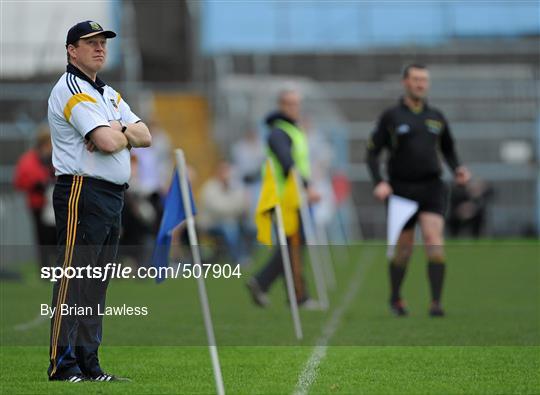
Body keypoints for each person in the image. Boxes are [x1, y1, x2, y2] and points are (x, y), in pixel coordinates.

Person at [46, 20, 151, 382]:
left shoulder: (107, 93)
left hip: (110, 195)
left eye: (103, 41)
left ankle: (90, 364)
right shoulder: (72, 88)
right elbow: (105, 143)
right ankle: (63, 364)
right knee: (74, 278)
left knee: (97, 282)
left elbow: (145, 134)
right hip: (83, 191)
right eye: (89, 42)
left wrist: (118, 129)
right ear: (71, 50)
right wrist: (120, 132)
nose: (100, 47)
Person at [366, 64, 471, 317]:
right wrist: (379, 181)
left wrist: (458, 168)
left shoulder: (436, 116)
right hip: (401, 188)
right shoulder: (391, 116)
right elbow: (372, 153)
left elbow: (448, 149)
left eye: (424, 80)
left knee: (434, 240)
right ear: (405, 82)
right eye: (415, 79)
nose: (420, 84)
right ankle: (395, 298)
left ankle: (436, 303)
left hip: (432, 186)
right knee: (404, 248)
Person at [247, 89, 320, 309]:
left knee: (292, 245)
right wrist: (308, 188)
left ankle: (268, 284)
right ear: (280, 105)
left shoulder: (291, 130)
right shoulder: (279, 132)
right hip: (284, 199)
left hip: (291, 197)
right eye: (288, 103)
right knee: (293, 245)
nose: (293, 108)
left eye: (296, 104)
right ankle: (293, 294)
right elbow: (288, 163)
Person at [13, 127, 56, 269]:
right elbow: (20, 180)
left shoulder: (55, 156)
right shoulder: (30, 159)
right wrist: (37, 184)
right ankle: (45, 268)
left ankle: (58, 267)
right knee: (42, 237)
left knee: (59, 237)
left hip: (56, 202)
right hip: (38, 204)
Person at [198, 160, 251, 266]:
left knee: (250, 226)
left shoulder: (235, 185)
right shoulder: (209, 188)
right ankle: (238, 258)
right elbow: (218, 210)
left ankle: (246, 254)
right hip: (211, 224)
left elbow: (244, 205)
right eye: (223, 171)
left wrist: (236, 209)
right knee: (230, 228)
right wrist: (235, 209)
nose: (226, 174)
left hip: (232, 220)